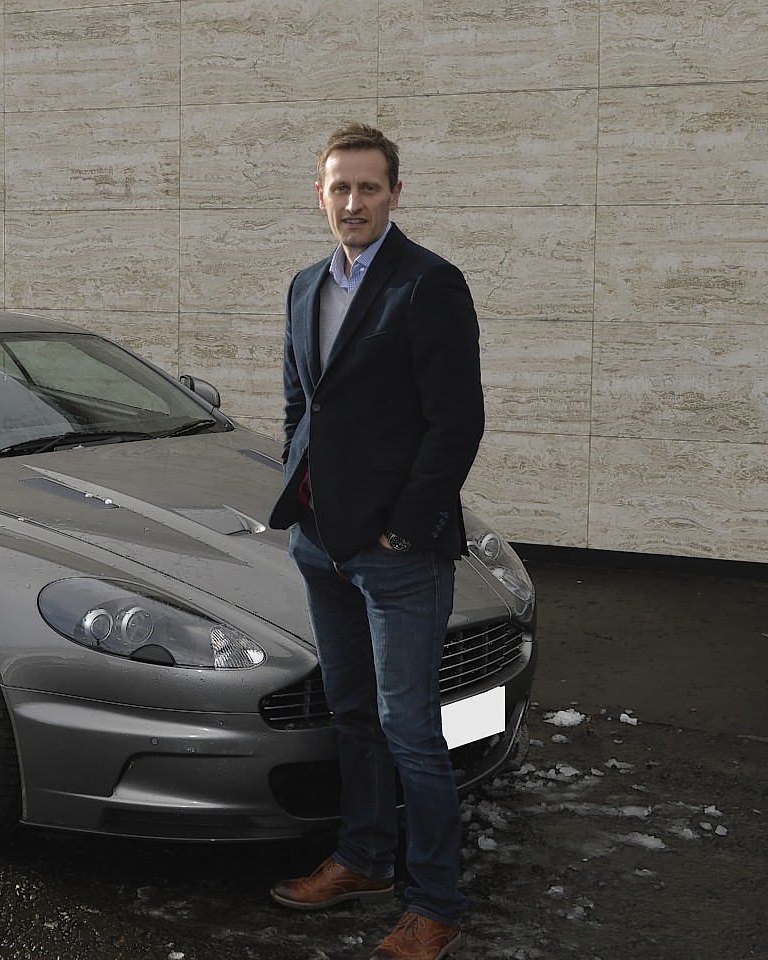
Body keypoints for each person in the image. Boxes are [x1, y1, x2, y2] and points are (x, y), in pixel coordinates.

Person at [266, 122, 485, 960]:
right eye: (338, 188)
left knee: (410, 731)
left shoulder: (428, 285)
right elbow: (301, 404)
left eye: (367, 188)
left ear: (395, 193)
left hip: (395, 553)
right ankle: (362, 858)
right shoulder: (302, 285)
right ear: (318, 194)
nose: (352, 202)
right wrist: (297, 494)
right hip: (319, 542)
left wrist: (404, 528)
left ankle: (435, 902)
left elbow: (455, 423)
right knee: (351, 715)